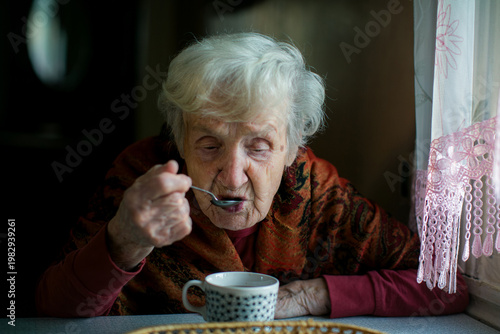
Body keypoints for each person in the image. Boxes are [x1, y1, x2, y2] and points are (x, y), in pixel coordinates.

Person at [36, 32, 469, 318]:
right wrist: (124, 240)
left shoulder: (318, 192)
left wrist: (311, 294)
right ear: (179, 140)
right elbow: (48, 311)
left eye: (258, 146)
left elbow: (446, 286)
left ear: (293, 145)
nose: (233, 175)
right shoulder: (142, 178)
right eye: (208, 145)